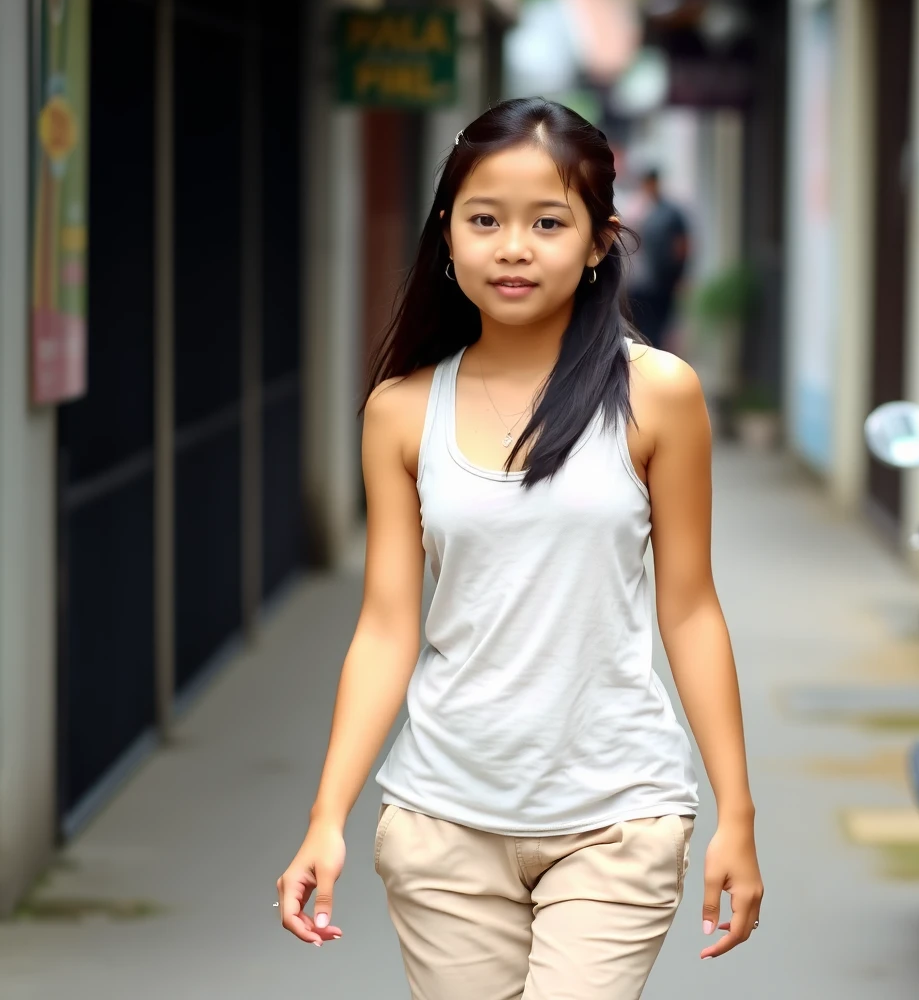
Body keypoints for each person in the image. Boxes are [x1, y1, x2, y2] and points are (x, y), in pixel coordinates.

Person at [276, 98, 762, 999]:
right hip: (443, 822)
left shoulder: (658, 395)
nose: (512, 246)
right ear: (448, 238)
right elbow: (387, 627)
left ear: (598, 241)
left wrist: (737, 809)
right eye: (484, 219)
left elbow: (690, 606)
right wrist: (327, 816)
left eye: (547, 222)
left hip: (617, 815)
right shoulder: (402, 411)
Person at [626, 168, 690, 348]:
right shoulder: (637, 210)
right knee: (641, 325)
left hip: (663, 280)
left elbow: (682, 246)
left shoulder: (670, 213)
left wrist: (680, 275)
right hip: (639, 282)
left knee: (660, 326)